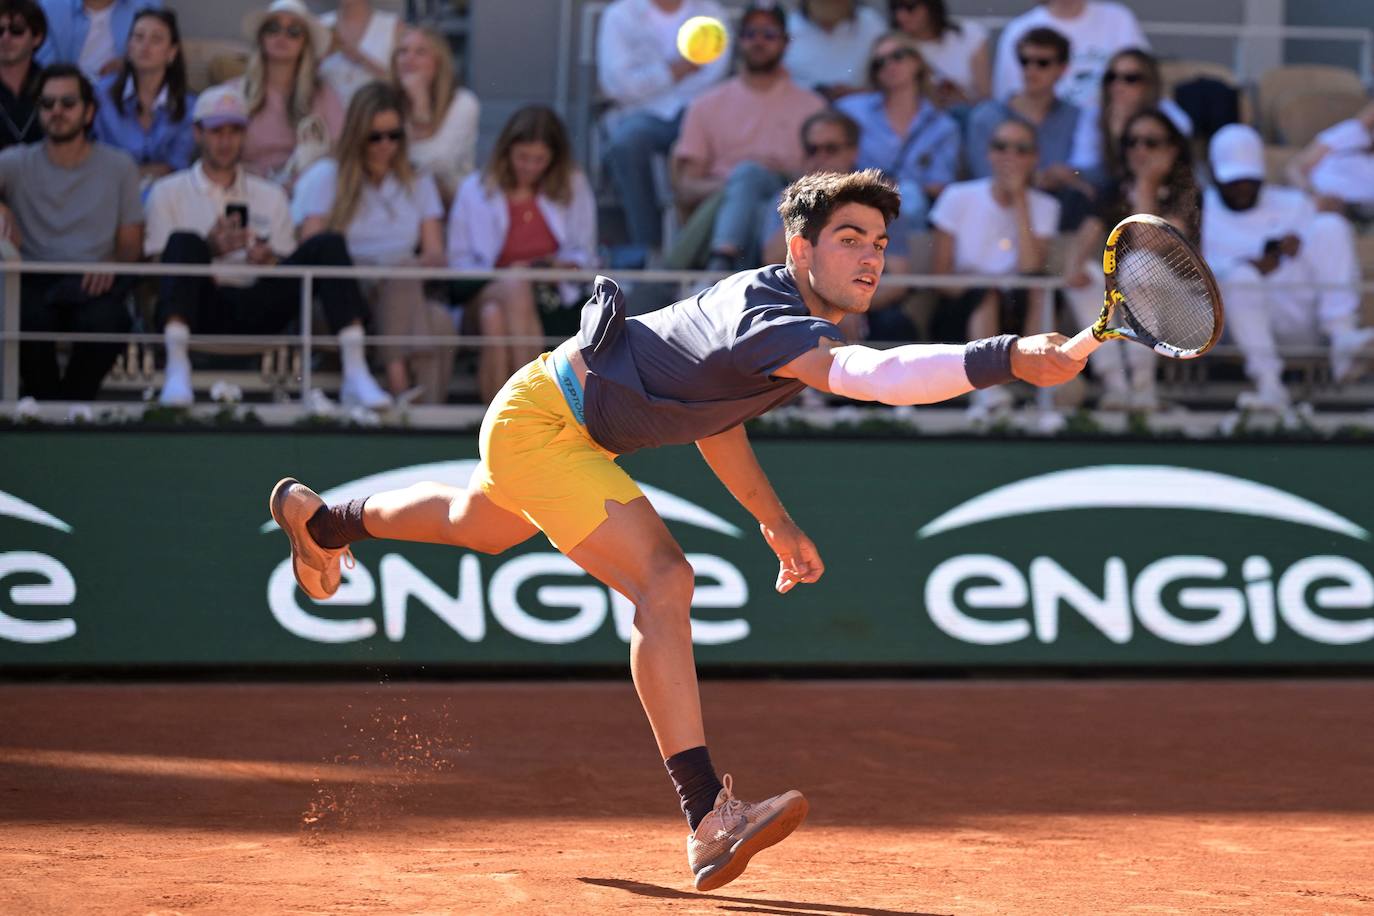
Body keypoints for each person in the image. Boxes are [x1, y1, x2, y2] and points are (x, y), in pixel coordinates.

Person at [268, 168, 1084, 894]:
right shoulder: (773, 316)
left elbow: (715, 420)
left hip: (541, 412)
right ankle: (708, 818)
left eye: (878, 241)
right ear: (799, 247)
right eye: (848, 239)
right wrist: (1006, 355)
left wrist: (774, 519)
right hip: (547, 424)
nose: (870, 256)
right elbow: (871, 379)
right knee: (666, 582)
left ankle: (325, 520)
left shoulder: (782, 316)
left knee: (477, 527)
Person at [144, 84, 390, 408]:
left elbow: (286, 268)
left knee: (328, 244)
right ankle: (178, 368)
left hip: (258, 300)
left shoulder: (270, 195)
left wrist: (269, 259)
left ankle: (355, 371)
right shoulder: (167, 192)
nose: (226, 140)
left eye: (235, 130)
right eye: (217, 131)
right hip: (200, 303)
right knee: (185, 242)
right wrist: (209, 249)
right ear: (198, 133)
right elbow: (155, 267)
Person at [293, 83, 451, 404]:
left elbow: (435, 254)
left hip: (402, 283)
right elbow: (311, 247)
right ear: (356, 134)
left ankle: (421, 410)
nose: (385, 145)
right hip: (347, 293)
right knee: (421, 304)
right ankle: (400, 386)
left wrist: (396, 273)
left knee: (439, 319)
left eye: (393, 135)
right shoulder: (327, 176)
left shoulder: (418, 180)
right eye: (374, 136)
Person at [1201, 123, 1374, 412]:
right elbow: (1202, 276)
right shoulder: (1201, 212)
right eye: (1233, 181)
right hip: (1236, 327)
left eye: (1249, 179)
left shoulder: (1294, 203)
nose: (1242, 188)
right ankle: (1269, 385)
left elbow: (1320, 252)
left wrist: (1293, 247)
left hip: (1300, 316)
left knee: (1330, 226)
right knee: (1241, 277)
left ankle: (1342, 340)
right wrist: (1255, 264)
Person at [0, 63, 142, 400]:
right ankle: (46, 409)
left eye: (67, 103)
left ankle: (73, 407)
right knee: (19, 315)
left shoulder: (119, 165)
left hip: (94, 279)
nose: (57, 112)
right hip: (32, 277)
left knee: (109, 320)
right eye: (47, 104)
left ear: (89, 111)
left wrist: (111, 263)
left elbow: (132, 243)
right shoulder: (15, 162)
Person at [447, 104, 597, 404]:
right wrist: (512, 273)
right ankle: (533, 405)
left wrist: (552, 267)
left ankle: (500, 416)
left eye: (539, 159)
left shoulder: (572, 185)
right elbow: (459, 264)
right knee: (513, 285)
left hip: (552, 299)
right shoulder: (474, 190)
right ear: (506, 152)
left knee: (495, 319)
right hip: (481, 294)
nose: (529, 167)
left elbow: (585, 254)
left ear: (554, 159)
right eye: (522, 158)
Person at [667, 2, 825, 271]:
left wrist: (765, 178)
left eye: (769, 34)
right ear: (738, 41)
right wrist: (739, 187)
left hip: (786, 218)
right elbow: (687, 187)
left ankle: (713, 267)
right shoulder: (705, 105)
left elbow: (825, 181)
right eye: (750, 34)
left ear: (786, 42)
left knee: (754, 184)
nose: (759, 42)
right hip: (717, 213)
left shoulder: (814, 106)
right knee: (747, 179)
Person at [1063, 109, 1199, 411]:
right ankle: (1115, 385)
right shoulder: (1116, 189)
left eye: (1150, 142)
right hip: (1135, 311)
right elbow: (1080, 247)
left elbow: (1146, 243)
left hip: (1189, 318)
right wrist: (1075, 267)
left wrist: (1146, 186)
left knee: (1139, 265)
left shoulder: (1186, 192)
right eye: (1132, 142)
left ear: (1172, 148)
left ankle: (1143, 386)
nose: (1139, 151)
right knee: (1084, 276)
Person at [929, 119, 1060, 418]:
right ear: (989, 153)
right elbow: (940, 275)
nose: (1009, 156)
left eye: (1021, 149)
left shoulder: (1045, 206)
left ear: (1034, 157)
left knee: (1039, 289)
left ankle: (1037, 382)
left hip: (1018, 307)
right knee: (985, 294)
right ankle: (987, 390)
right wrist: (980, 286)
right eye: (1001, 147)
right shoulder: (957, 197)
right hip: (960, 310)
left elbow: (1031, 268)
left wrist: (1020, 200)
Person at [596, 0, 729, 270]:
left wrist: (650, 79)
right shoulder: (620, 15)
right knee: (626, 143)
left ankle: (697, 251)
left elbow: (713, 75)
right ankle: (649, 247)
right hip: (639, 115)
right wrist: (676, 70)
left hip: (699, 113)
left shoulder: (711, 13)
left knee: (718, 143)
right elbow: (617, 86)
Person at [760, 109, 912, 343]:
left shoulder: (878, 204)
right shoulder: (785, 200)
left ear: (853, 151)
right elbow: (773, 260)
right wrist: (807, 206)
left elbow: (899, 282)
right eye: (813, 150)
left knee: (897, 325)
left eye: (831, 149)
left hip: (867, 306)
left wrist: (848, 304)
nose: (821, 157)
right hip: (800, 303)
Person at [835, 31, 960, 233]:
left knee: (911, 199)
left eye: (897, 56)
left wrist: (899, 188)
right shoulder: (851, 111)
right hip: (862, 204)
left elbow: (941, 186)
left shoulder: (942, 125)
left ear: (916, 61)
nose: (889, 65)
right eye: (879, 63)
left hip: (915, 215)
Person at [229, 0, 343, 185]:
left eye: (294, 31)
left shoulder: (323, 94)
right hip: (246, 190)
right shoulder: (235, 92)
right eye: (273, 28)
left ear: (305, 44)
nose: (282, 36)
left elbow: (339, 150)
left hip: (305, 195)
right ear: (261, 38)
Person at [92, 8, 193, 192]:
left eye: (156, 39)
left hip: (166, 196)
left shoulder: (189, 106)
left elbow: (176, 168)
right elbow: (93, 156)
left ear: (172, 52)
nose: (145, 46)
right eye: (138, 37)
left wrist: (126, 174)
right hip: (107, 192)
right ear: (129, 47)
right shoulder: (101, 95)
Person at [1068, 47, 1192, 187]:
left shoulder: (1169, 114)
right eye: (1112, 77)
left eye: (1130, 79)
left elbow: (1177, 163)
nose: (1118, 86)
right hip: (1108, 194)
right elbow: (1081, 168)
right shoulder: (1094, 115)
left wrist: (1123, 136)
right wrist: (1113, 137)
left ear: (1149, 83)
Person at [992, 0, 1146, 110]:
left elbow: (1145, 81)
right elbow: (1009, 98)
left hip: (1108, 134)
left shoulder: (1119, 20)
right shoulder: (1019, 30)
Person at [391, 24, 478, 207]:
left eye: (420, 52)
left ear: (438, 62)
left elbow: (440, 165)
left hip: (449, 206)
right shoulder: (387, 103)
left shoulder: (464, 103)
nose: (409, 59)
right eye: (403, 51)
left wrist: (420, 105)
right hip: (396, 203)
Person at [889, 0, 989, 110]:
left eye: (910, 7)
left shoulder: (969, 34)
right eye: (895, 8)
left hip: (971, 117)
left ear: (931, 6)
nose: (901, 16)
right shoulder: (894, 50)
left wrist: (962, 98)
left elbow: (986, 98)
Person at [781, 0, 886, 101]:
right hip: (804, 111)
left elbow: (892, 81)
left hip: (864, 110)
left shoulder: (871, 24)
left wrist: (856, 94)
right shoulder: (788, 29)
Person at [1287, 101, 1374, 223]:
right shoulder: (1353, 132)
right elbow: (1295, 168)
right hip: (1319, 202)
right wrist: (1312, 194)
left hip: (1364, 214)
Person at [36, 0, 158, 79]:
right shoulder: (50, 8)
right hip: (67, 101)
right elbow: (43, 68)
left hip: (124, 102)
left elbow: (164, 54)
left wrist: (129, 64)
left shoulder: (147, 6)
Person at [318, 0, 401, 107]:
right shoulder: (319, 25)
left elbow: (402, 83)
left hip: (376, 115)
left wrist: (362, 59)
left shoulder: (393, 26)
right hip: (327, 116)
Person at [0, 0, 46, 150]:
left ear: (37, 37)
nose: (5, 38)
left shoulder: (53, 85)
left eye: (16, 30)